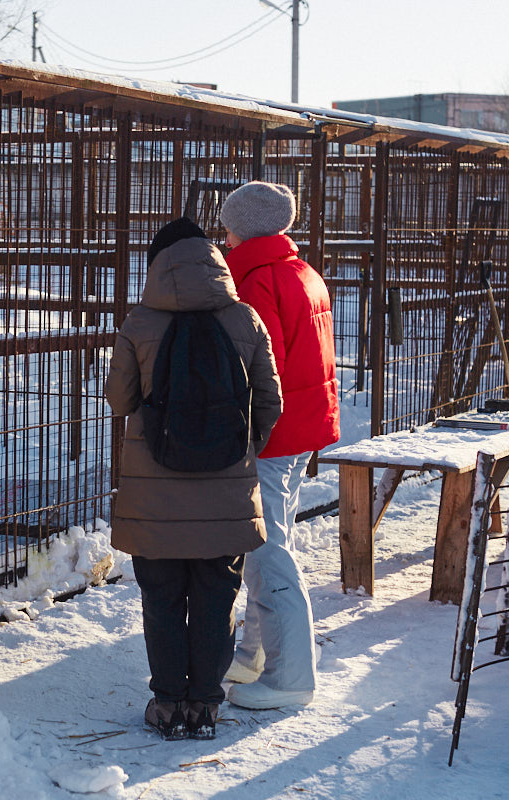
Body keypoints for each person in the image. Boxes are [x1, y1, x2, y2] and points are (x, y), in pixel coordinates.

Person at [105, 217, 283, 741]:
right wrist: (239, 452)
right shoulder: (245, 319)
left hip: (152, 496)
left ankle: (167, 705)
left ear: (158, 265)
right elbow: (271, 403)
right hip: (225, 493)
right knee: (215, 595)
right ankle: (205, 706)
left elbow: (120, 400)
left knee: (161, 598)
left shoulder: (140, 322)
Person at [217, 181, 341, 711]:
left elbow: (262, 372)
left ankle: (292, 676)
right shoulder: (301, 271)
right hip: (298, 430)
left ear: (242, 227)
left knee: (270, 552)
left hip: (271, 435)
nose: (222, 235)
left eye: (227, 225)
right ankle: (254, 656)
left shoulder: (257, 278)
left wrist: (239, 432)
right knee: (267, 542)